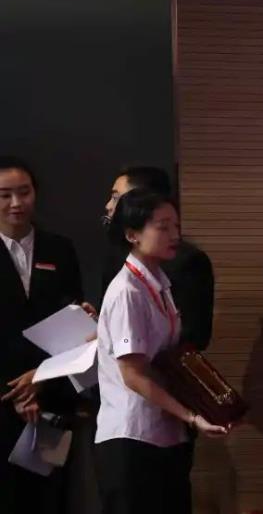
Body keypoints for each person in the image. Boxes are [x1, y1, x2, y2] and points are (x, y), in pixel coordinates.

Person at [95, 188, 230, 514]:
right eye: (163, 227)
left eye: (176, 226)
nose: (175, 235)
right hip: (132, 436)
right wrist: (191, 416)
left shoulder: (159, 282)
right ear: (132, 235)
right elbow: (133, 375)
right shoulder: (126, 291)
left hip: (165, 432)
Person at [0, 156, 89, 513]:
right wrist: (16, 392)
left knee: (51, 499)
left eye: (24, 192)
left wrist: (42, 380)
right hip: (5, 397)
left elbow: (74, 324)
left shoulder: (59, 249)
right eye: (5, 195)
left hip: (52, 396)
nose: (16, 203)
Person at [102, 167, 214, 351]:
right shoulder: (123, 278)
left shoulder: (186, 263)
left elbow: (195, 333)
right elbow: (127, 352)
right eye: (164, 228)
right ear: (132, 235)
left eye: (116, 197)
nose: (109, 206)